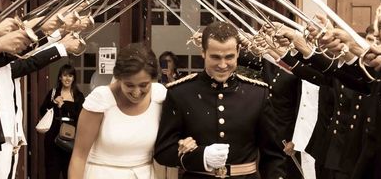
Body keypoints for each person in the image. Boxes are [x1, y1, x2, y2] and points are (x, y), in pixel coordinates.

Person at [154, 21, 280, 178]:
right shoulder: (180, 93)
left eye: (229, 57)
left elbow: (273, 156)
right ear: (203, 52)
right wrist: (201, 156)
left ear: (238, 51)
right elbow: (163, 151)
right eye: (215, 57)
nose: (222, 64)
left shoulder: (256, 93)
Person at [68, 43, 167, 179]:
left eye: (144, 85)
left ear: (153, 79)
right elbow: (79, 157)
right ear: (119, 78)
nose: (137, 92)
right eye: (129, 85)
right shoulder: (101, 99)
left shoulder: (160, 96)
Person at [40, 63, 85, 179]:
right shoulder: (53, 93)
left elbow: (80, 116)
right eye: (65, 75)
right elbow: (42, 111)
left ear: (74, 78)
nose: (67, 79)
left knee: (69, 171)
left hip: (71, 136)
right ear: (60, 77)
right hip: (53, 136)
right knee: (52, 170)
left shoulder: (79, 96)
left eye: (70, 76)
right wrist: (53, 103)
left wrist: (63, 105)